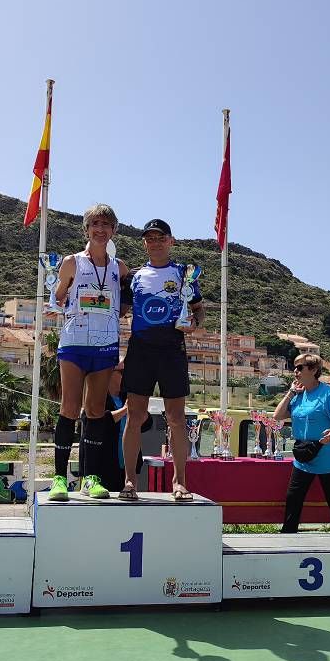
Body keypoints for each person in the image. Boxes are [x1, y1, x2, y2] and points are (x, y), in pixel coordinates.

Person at [48, 203, 130, 501]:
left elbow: (125, 302)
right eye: (95, 224)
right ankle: (59, 479)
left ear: (113, 231)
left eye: (106, 224)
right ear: (86, 229)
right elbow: (55, 301)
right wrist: (59, 298)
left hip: (105, 345)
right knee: (69, 408)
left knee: (95, 411)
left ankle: (91, 478)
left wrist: (120, 309)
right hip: (74, 343)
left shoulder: (119, 268)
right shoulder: (71, 263)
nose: (100, 229)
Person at [120, 218, 204, 502]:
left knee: (176, 418)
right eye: (149, 238)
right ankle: (130, 480)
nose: (154, 242)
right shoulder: (134, 275)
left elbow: (198, 310)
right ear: (144, 243)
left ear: (171, 241)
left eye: (160, 237)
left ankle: (179, 482)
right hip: (140, 349)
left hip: (172, 350)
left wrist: (194, 325)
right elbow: (118, 309)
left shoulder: (184, 273)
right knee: (135, 417)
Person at [273, 354, 330, 536]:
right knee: (293, 498)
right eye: (294, 367)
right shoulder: (298, 396)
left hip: (327, 458)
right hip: (303, 457)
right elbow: (277, 415)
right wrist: (291, 392)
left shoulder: (327, 393)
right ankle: (288, 535)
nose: (295, 371)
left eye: (300, 367)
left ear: (313, 370)